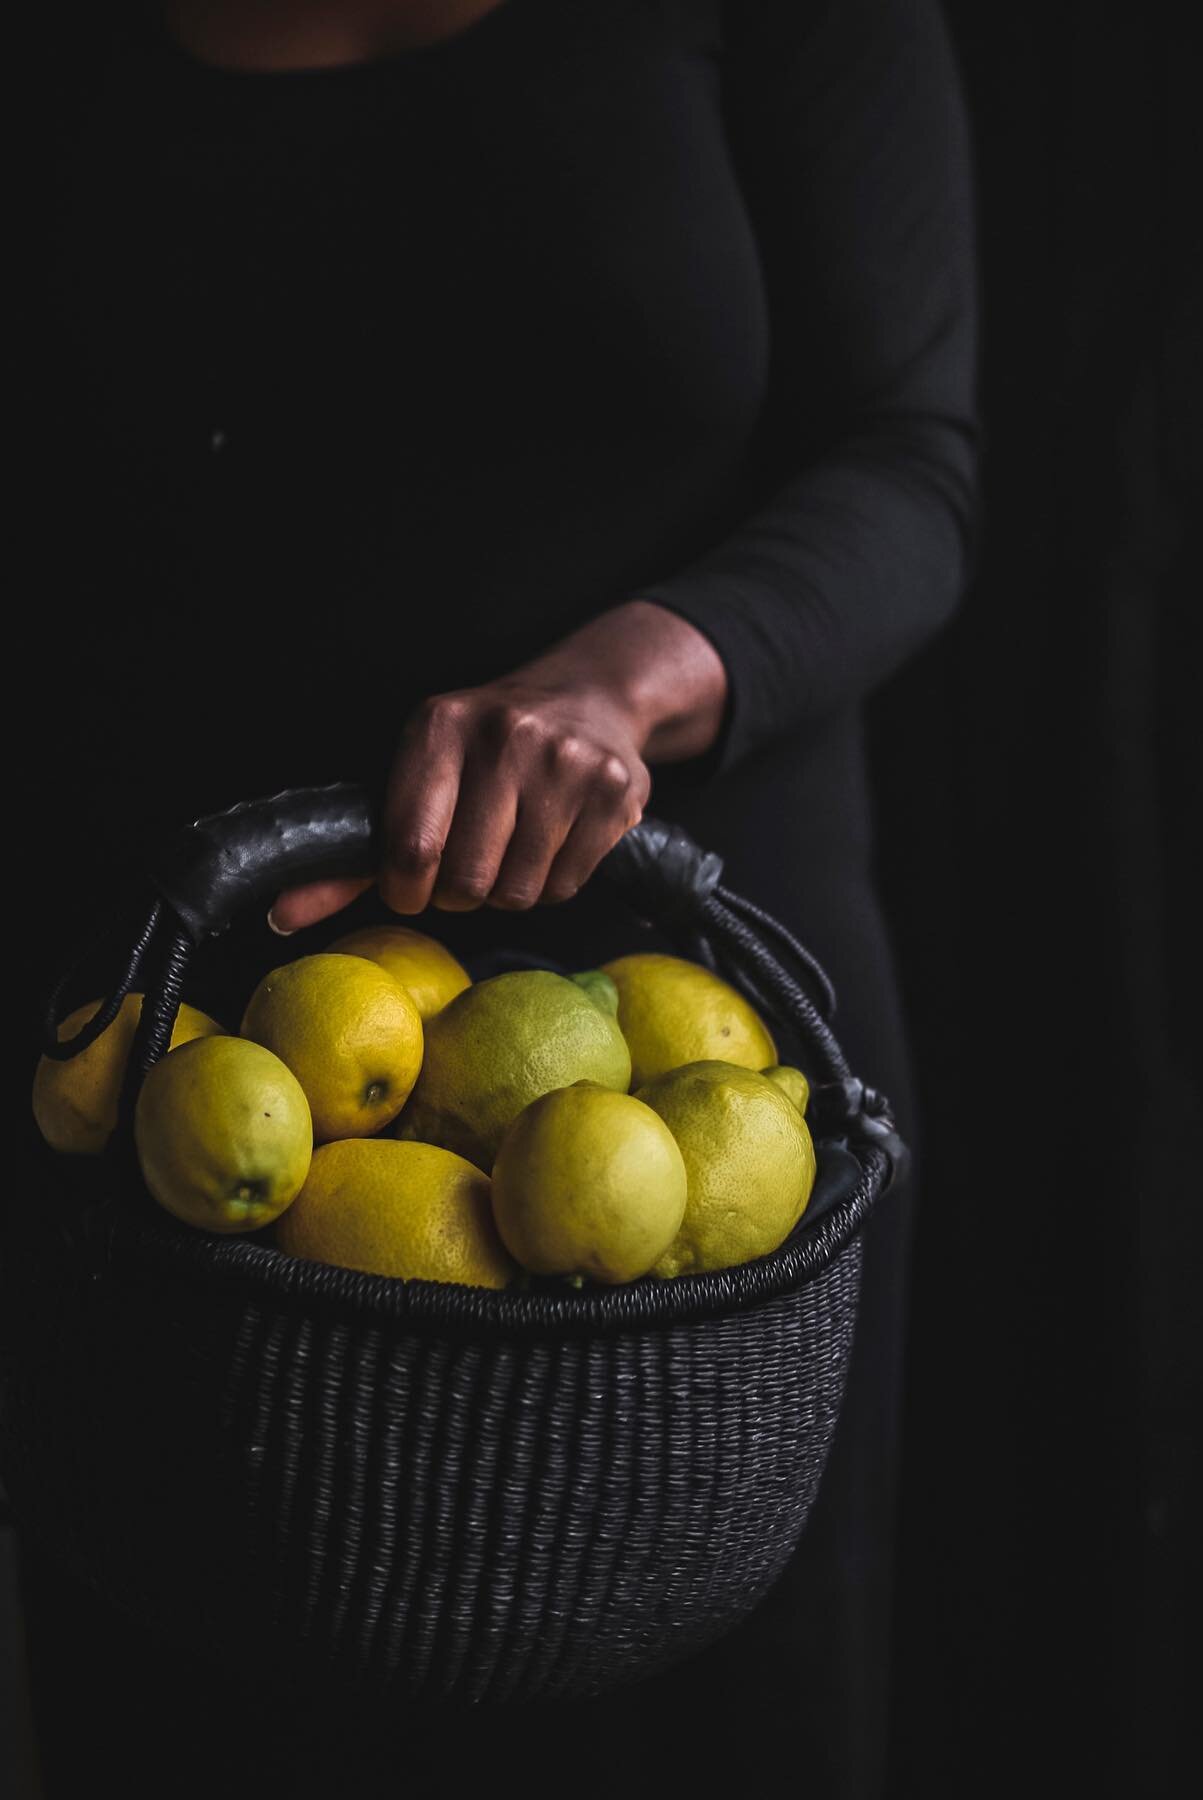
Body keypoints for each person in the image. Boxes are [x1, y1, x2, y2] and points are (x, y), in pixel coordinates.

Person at [14, 1, 979, 1794]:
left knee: (711, 1735)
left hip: (695, 1061)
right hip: (192, 1080)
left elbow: (911, 460)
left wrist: (635, 676)